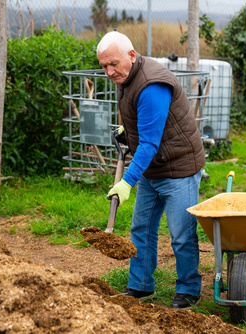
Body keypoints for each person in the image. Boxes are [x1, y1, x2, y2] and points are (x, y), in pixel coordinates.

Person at [97, 31, 205, 310]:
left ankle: (189, 289)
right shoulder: (126, 75)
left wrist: (126, 181)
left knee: (181, 234)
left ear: (132, 56)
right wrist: (127, 130)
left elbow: (149, 144)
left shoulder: (152, 84)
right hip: (153, 168)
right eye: (104, 66)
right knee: (141, 228)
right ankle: (140, 286)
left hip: (178, 166)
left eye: (114, 64)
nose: (109, 71)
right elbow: (144, 121)